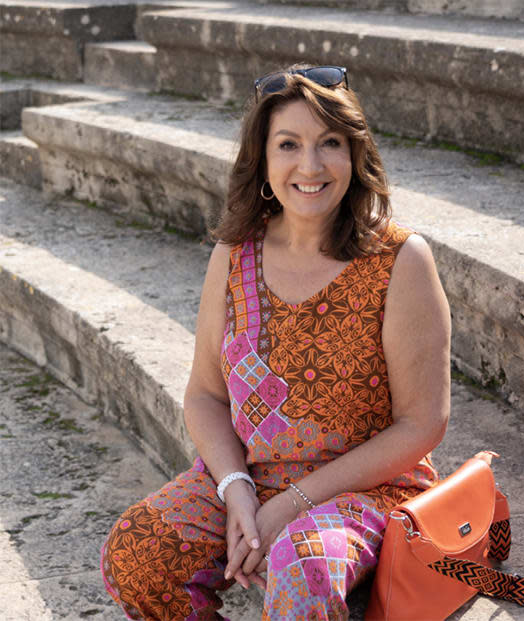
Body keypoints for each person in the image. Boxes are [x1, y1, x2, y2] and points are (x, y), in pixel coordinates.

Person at [100, 64, 451, 620]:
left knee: (302, 564)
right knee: (137, 552)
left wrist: (292, 504)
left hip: (367, 489)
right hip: (255, 477)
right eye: (289, 144)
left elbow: (422, 423)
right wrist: (238, 490)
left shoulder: (401, 261)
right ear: (263, 161)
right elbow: (206, 397)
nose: (310, 166)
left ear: (354, 155)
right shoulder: (234, 256)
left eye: (329, 143)